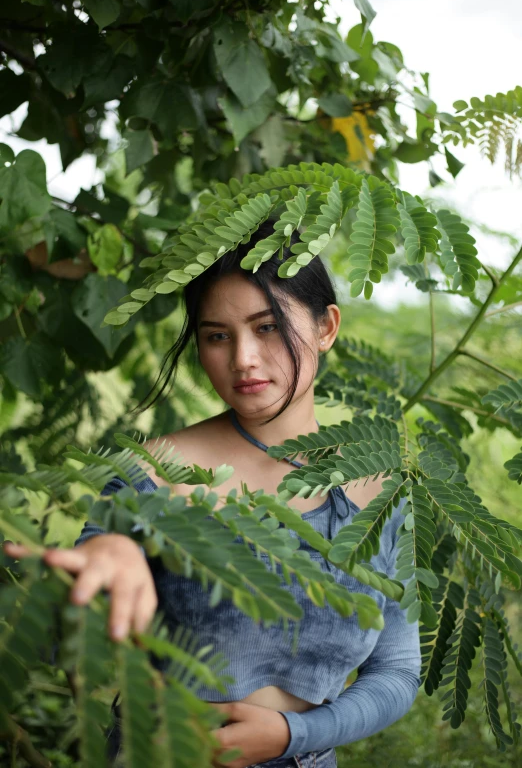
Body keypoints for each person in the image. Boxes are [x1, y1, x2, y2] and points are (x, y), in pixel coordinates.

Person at [4, 219, 422, 768]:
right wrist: (107, 552)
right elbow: (72, 622)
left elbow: (397, 671)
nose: (243, 358)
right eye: (217, 335)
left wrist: (295, 733)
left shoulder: (379, 489)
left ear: (327, 327)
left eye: (268, 327)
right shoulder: (153, 468)